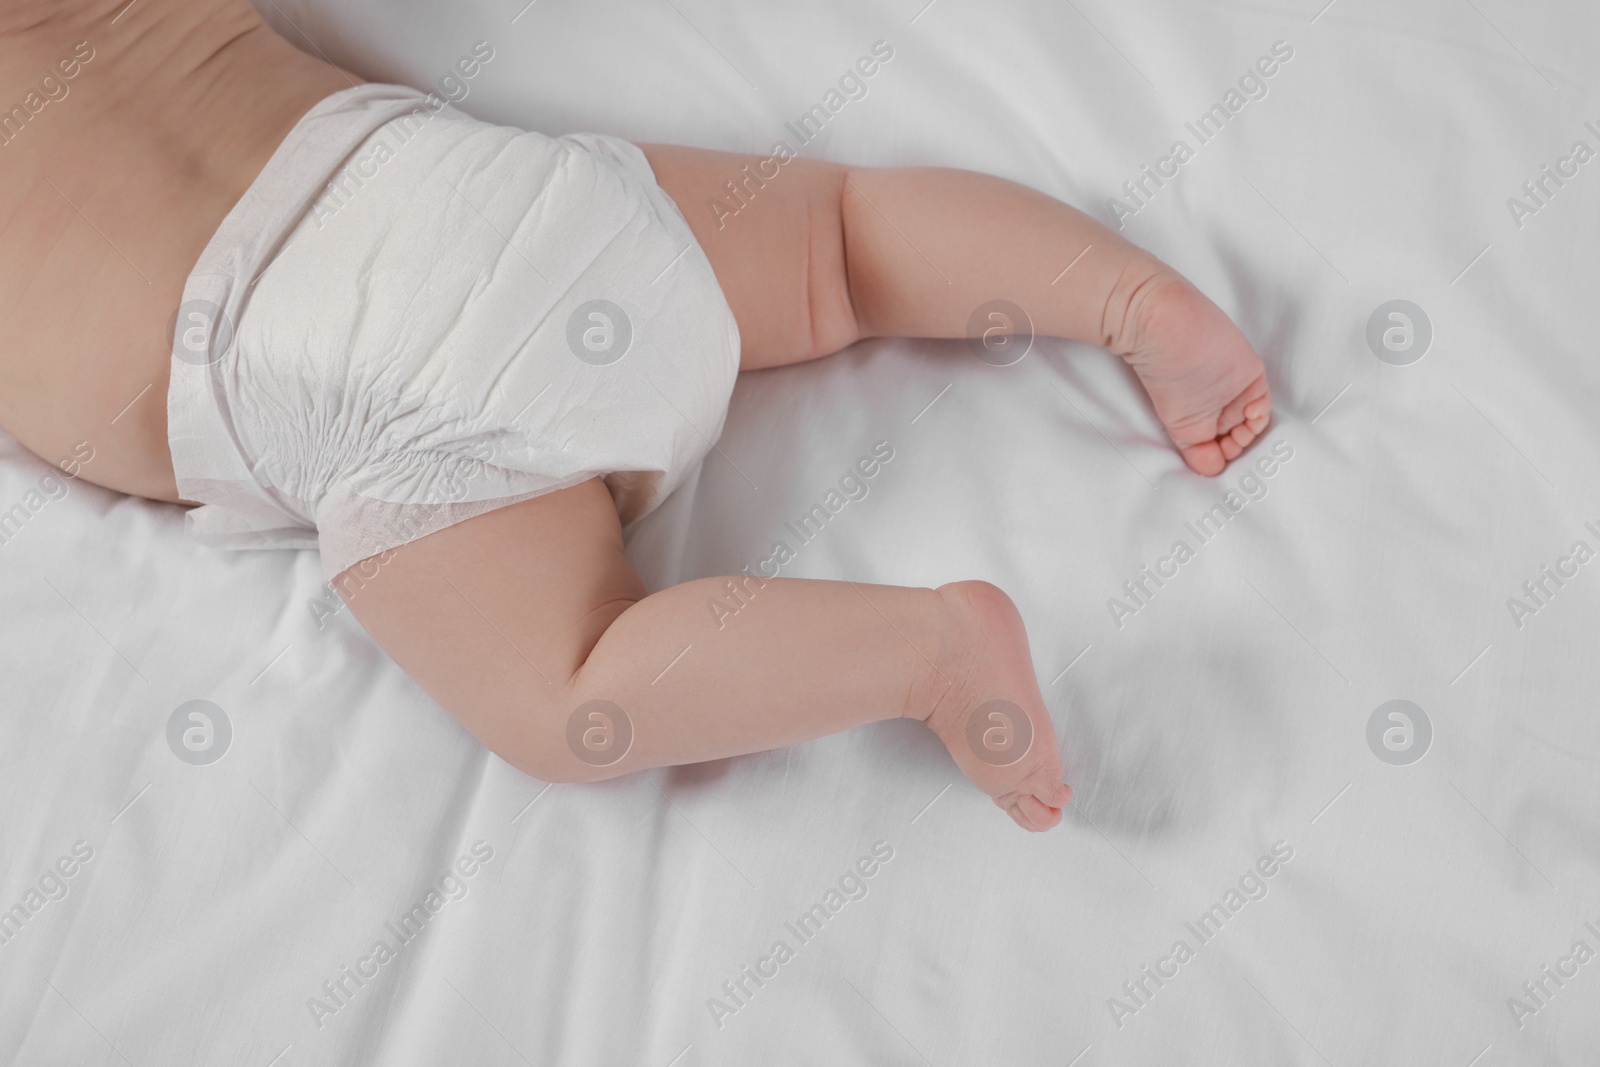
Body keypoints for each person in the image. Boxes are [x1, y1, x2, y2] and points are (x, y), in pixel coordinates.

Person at [0, 0, 1270, 831]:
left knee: (567, 690)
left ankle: (925, 651)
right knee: (838, 235)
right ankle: (1130, 301)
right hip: (474, 190)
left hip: (342, 376)